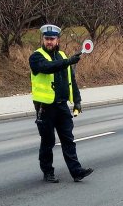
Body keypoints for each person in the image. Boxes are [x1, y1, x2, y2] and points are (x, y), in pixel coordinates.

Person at [29, 24, 93, 183]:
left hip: (61, 106)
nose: (49, 42)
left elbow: (71, 81)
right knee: (48, 141)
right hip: (45, 108)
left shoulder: (63, 56)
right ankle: (48, 172)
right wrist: (68, 61)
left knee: (68, 140)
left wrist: (77, 101)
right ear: (43, 40)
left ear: (57, 40)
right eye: (47, 39)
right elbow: (47, 68)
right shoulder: (36, 57)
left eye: (52, 39)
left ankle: (76, 171)